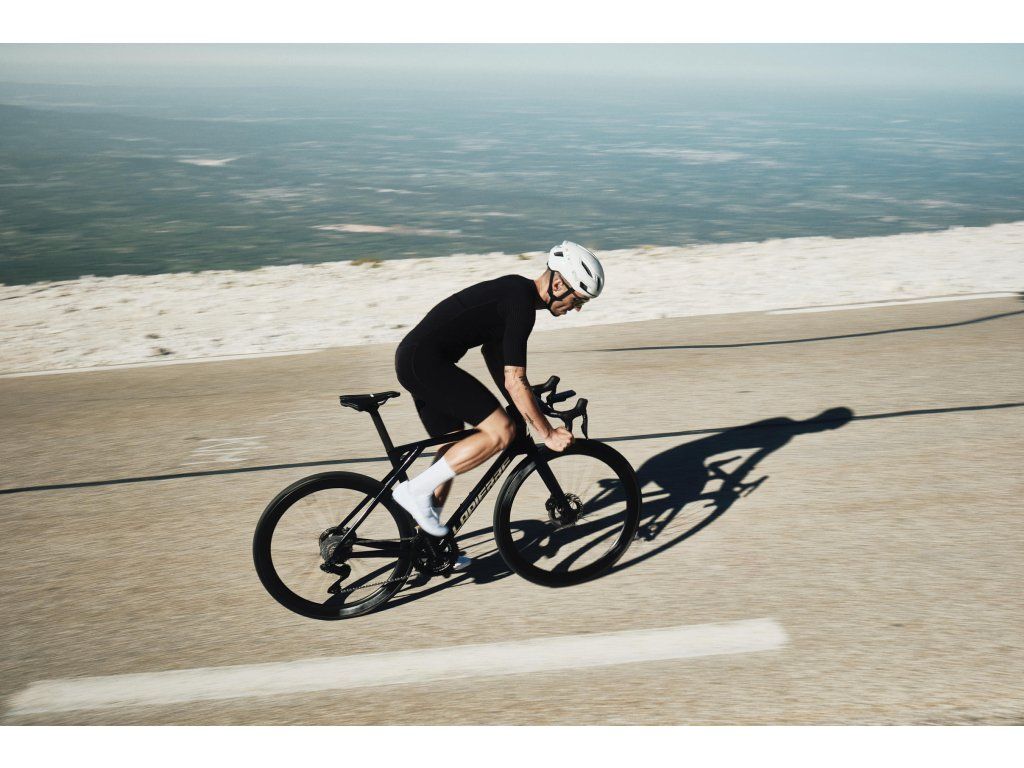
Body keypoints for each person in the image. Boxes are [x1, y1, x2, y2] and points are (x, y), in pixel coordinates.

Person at [393, 241, 605, 567]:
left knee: (456, 445)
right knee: (501, 431)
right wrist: (547, 432)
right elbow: (514, 380)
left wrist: (523, 404)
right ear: (558, 285)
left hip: (418, 359)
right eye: (577, 299)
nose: (576, 308)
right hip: (425, 363)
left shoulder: (515, 295)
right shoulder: (520, 305)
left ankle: (429, 547)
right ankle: (415, 492)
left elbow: (494, 354)